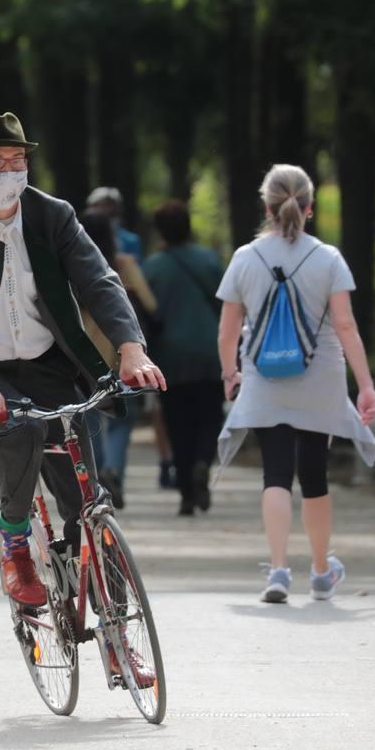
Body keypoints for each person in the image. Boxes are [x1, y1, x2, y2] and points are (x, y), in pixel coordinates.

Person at [0, 111, 164, 685]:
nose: (4, 172)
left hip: (49, 363)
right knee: (18, 429)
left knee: (90, 505)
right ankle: (16, 542)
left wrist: (131, 348)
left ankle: (120, 642)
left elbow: (100, 282)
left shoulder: (53, 215)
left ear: (26, 166)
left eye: (14, 162)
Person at [216, 164, 375, 604]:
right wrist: (364, 385)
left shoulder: (245, 259)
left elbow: (228, 331)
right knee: (314, 473)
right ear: (308, 207)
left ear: (266, 207)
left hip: (264, 377)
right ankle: (322, 571)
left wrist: (231, 374)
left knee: (275, 472)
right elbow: (346, 326)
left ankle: (279, 570)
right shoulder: (328, 258)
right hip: (321, 377)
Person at [142, 200, 224, 516]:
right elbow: (227, 306)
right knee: (210, 417)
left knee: (178, 425)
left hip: (170, 357)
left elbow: (144, 315)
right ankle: (204, 461)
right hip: (209, 350)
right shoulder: (209, 261)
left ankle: (187, 494)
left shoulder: (151, 268)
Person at [77, 209, 159, 509]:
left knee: (90, 416)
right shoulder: (124, 264)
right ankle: (115, 468)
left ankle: (99, 478)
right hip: (123, 352)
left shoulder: (71, 265)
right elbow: (149, 303)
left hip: (84, 353)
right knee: (123, 419)